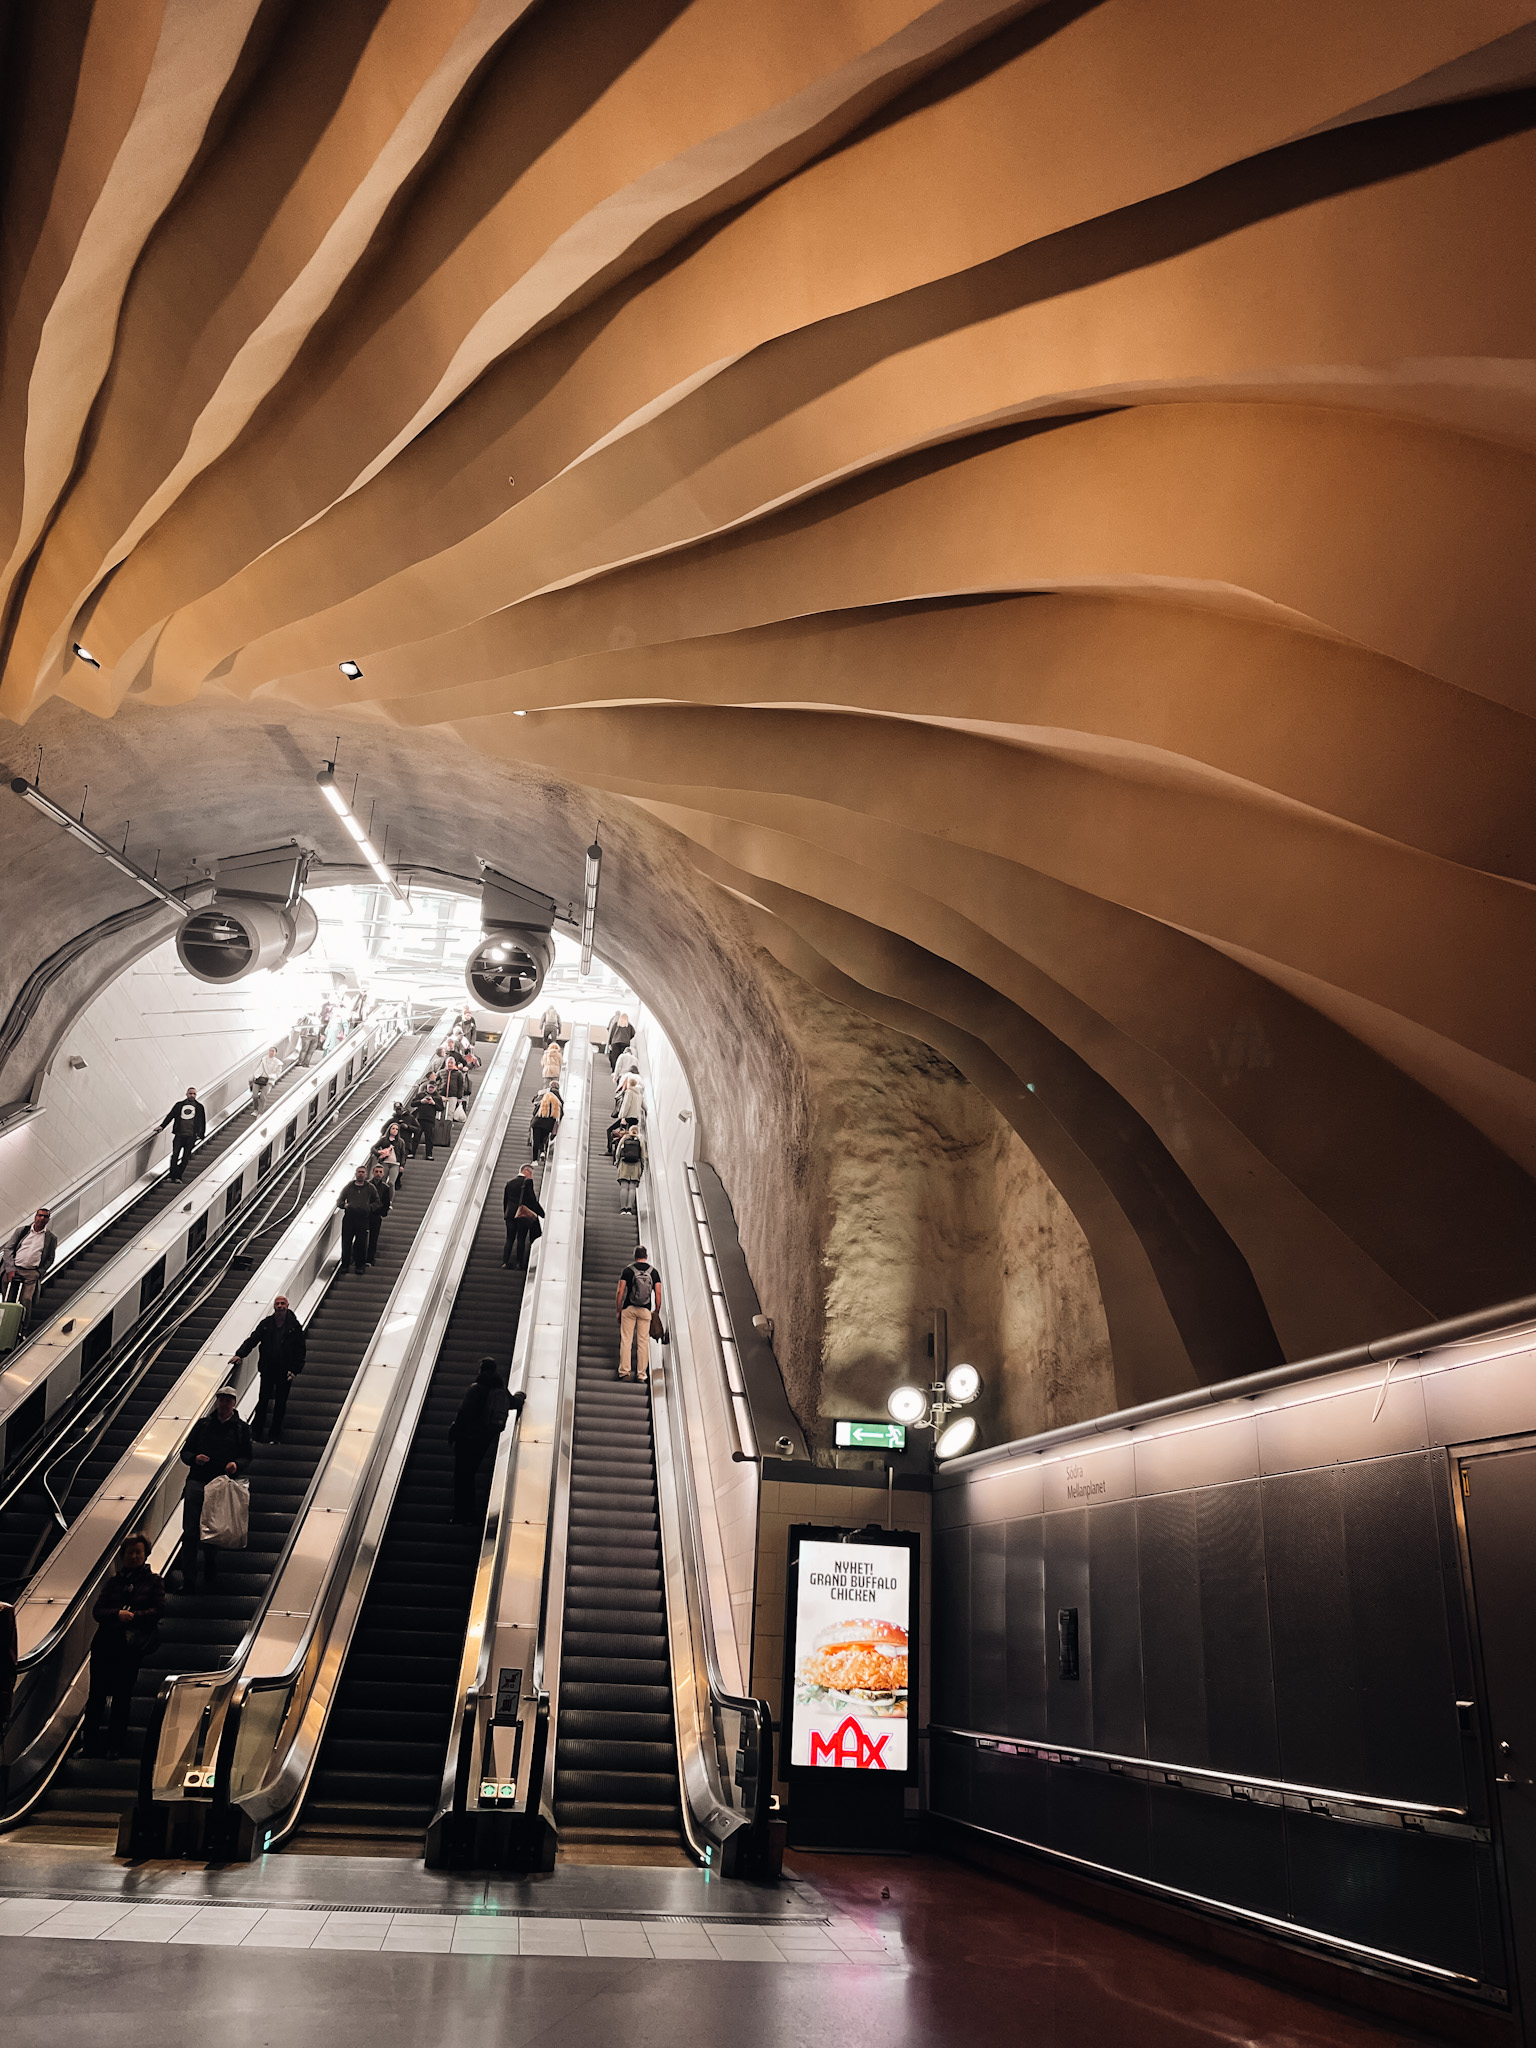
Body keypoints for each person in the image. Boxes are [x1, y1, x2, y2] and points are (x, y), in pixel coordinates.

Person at [83, 1533, 165, 1759]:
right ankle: (89, 1744)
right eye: (130, 1552)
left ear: (145, 1554)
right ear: (123, 1556)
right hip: (104, 1644)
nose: (134, 1556)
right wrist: (116, 1614)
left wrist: (134, 1616)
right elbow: (97, 1611)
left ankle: (114, 1746)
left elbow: (159, 1610)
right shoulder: (114, 1582)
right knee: (96, 1694)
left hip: (130, 1647)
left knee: (122, 1695)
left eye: (138, 1552)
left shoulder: (153, 1581)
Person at [177, 1386, 252, 1590]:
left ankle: (210, 1564)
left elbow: (247, 1456)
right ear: (217, 1401)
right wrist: (194, 1459)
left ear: (234, 1404)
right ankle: (189, 1579)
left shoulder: (241, 1429)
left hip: (221, 1486)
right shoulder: (202, 1426)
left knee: (214, 1529)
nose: (224, 1404)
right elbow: (185, 1452)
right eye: (221, 1400)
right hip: (198, 1483)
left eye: (228, 1400)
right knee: (190, 1531)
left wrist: (236, 1464)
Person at [448, 1359, 523, 1522]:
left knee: (462, 1476)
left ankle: (462, 1514)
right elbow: (513, 1403)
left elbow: (464, 1413)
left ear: (481, 1370)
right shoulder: (499, 1389)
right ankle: (469, 1514)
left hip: (467, 1439)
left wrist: (454, 1432)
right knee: (470, 1473)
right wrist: (520, 1396)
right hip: (484, 1439)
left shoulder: (476, 1389)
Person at [232, 1294, 306, 1444]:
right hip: (267, 1369)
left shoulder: (294, 1327)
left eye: (282, 1304)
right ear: (274, 1307)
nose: (280, 1306)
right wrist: (240, 1354)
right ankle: (256, 1433)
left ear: (287, 1306)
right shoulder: (266, 1324)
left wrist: (295, 1369)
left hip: (285, 1372)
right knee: (263, 1401)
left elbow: (300, 1350)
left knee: (280, 1403)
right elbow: (253, 1339)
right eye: (277, 1304)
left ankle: (275, 1435)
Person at [615, 1245, 662, 1382]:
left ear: (635, 1256)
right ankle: (641, 1375)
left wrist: (618, 1310)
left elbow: (620, 1291)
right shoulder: (654, 1273)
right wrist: (656, 1311)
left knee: (626, 1340)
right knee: (643, 1343)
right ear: (646, 1256)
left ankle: (624, 1372)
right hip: (645, 1310)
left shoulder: (628, 1271)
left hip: (629, 1309)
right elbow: (658, 1294)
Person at [2, 1206, 57, 1324]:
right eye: (40, 1215)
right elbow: (9, 1248)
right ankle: (5, 1323)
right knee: (8, 1298)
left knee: (26, 1299)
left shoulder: (51, 1238)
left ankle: (22, 1326)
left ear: (48, 1220)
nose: (42, 1218)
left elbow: (50, 1258)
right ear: (35, 1217)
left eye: (45, 1217)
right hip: (15, 1268)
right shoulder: (22, 1231)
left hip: (32, 1272)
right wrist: (10, 1268)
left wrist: (40, 1272)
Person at [336, 1166, 380, 1276]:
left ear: (366, 1174)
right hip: (349, 1218)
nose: (361, 1174)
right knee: (346, 1242)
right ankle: (345, 1265)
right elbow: (340, 1200)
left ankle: (360, 1266)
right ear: (356, 1173)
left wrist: (369, 1208)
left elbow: (377, 1201)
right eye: (359, 1172)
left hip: (363, 1219)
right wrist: (344, 1205)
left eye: (363, 1172)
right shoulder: (349, 1186)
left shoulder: (370, 1188)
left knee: (361, 1243)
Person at [503, 1163, 545, 1268]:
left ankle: (505, 1262)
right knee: (521, 1238)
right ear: (526, 1171)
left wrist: (506, 1214)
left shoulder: (510, 1183)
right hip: (522, 1214)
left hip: (510, 1215)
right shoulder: (527, 1182)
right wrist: (542, 1213)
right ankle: (519, 1263)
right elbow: (532, 1201)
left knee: (509, 1239)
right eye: (531, 1173)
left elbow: (506, 1201)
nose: (531, 1176)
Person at [161, 1085, 206, 1182]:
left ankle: (178, 1176)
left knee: (186, 1157)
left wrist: (201, 1134)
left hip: (191, 1136)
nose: (192, 1095)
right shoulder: (179, 1105)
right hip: (179, 1135)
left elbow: (202, 1121)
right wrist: (162, 1126)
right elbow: (170, 1116)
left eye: (194, 1094)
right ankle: (172, 1175)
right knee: (175, 1155)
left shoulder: (199, 1107)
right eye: (190, 1093)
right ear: (186, 1094)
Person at [615, 1122, 647, 1216]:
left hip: (624, 1164)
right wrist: (642, 1167)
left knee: (624, 1186)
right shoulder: (640, 1141)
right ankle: (629, 1209)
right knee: (632, 1187)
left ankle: (623, 1209)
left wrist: (617, 1161)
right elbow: (643, 1156)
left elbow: (618, 1152)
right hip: (636, 1165)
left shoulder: (624, 1139)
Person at [366, 1163, 393, 1265]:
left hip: (376, 1216)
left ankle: (370, 1259)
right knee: (361, 1237)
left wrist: (382, 1212)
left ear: (383, 1174)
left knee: (373, 1238)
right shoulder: (367, 1185)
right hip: (365, 1215)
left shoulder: (385, 1188)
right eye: (376, 1171)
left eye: (380, 1172)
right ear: (372, 1172)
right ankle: (358, 1258)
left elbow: (386, 1202)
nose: (378, 1174)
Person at [530, 1087, 562, 1163]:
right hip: (548, 1125)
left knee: (536, 1141)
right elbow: (561, 1114)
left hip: (537, 1123)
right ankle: (542, 1152)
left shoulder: (543, 1101)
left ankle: (534, 1160)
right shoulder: (557, 1104)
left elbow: (534, 1112)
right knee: (543, 1139)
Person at [415, 1080, 444, 1159]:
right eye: (429, 1087)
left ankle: (429, 1154)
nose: (431, 1089)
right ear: (427, 1087)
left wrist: (433, 1103)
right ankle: (412, 1152)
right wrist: (421, 1101)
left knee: (429, 1138)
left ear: (435, 1088)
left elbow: (441, 1108)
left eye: (432, 1087)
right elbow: (412, 1103)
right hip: (420, 1118)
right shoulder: (420, 1095)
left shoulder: (438, 1097)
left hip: (430, 1120)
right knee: (416, 1137)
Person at [249, 1045, 283, 1112]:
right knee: (254, 1095)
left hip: (268, 1081)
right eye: (270, 1051)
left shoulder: (278, 1063)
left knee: (262, 1097)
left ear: (275, 1053)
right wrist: (255, 1075)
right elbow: (259, 1068)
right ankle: (255, 1109)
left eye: (273, 1051)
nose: (271, 1052)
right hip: (259, 1078)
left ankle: (260, 1112)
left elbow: (277, 1074)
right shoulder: (264, 1059)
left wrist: (271, 1076)